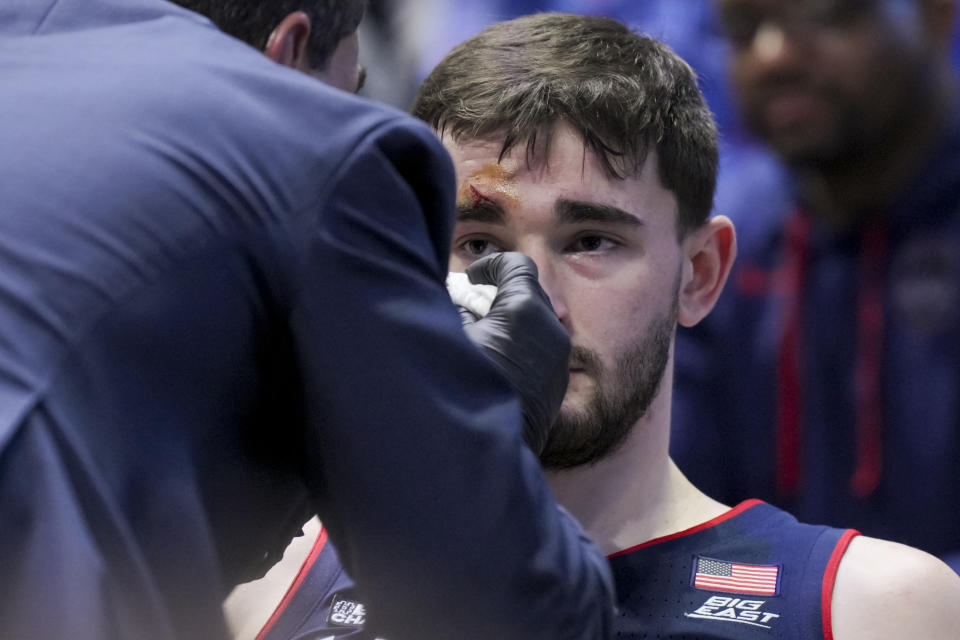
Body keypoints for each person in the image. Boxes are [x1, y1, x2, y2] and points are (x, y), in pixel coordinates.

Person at [247, 12, 960, 639]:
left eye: (591, 241)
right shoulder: (265, 581)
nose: (533, 302)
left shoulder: (874, 609)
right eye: (480, 245)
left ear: (700, 274)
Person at [0, 2, 617, 639]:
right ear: (288, 54)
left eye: (593, 241)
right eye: (348, 92)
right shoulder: (314, 145)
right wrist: (483, 426)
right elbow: (509, 613)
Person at [670, 0, 960, 573]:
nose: (773, 56)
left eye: (827, 16)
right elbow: (678, 526)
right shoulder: (717, 250)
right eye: (743, 30)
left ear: (934, 18)